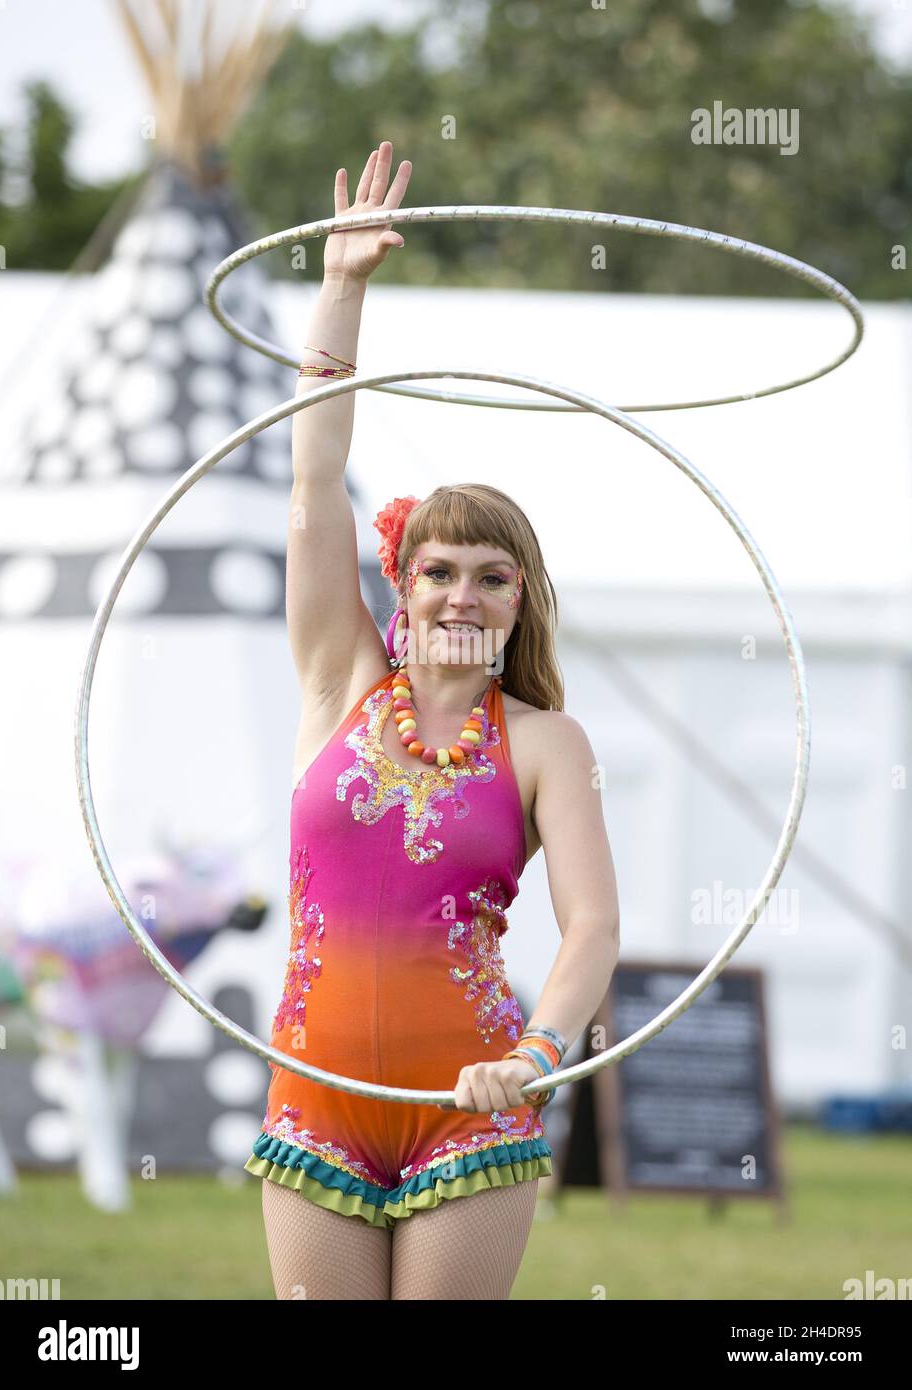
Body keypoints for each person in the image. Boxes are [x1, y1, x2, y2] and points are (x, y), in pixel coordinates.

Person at [244, 140, 620, 1300]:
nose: (463, 592)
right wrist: (344, 288)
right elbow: (314, 488)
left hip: (473, 1106)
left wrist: (536, 1053)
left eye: (492, 575)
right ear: (399, 587)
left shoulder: (547, 741)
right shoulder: (338, 681)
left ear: (523, 598)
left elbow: (594, 926)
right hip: (313, 1099)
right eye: (438, 569)